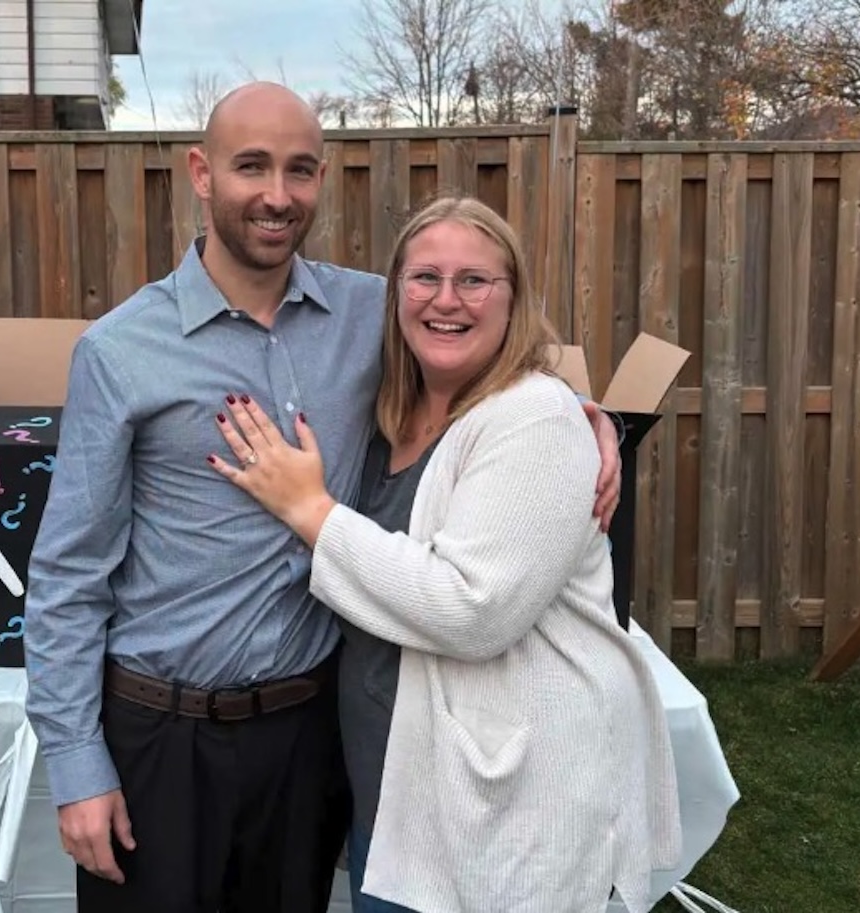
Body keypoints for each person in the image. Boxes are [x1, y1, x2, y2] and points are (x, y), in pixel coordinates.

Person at [23, 82, 625, 913]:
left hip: (307, 737)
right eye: (252, 167)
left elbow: (484, 343)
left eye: (299, 170)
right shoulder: (120, 351)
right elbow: (68, 573)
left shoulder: (369, 313)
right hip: (161, 735)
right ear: (201, 172)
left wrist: (582, 413)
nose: (278, 195)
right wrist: (75, 761)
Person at [208, 195, 682, 913]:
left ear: (514, 298)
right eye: (425, 277)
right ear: (395, 294)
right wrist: (600, 416)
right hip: (401, 805)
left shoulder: (535, 418)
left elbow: (472, 610)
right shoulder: (391, 411)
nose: (446, 300)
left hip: (508, 814)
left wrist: (310, 511)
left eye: (474, 280)